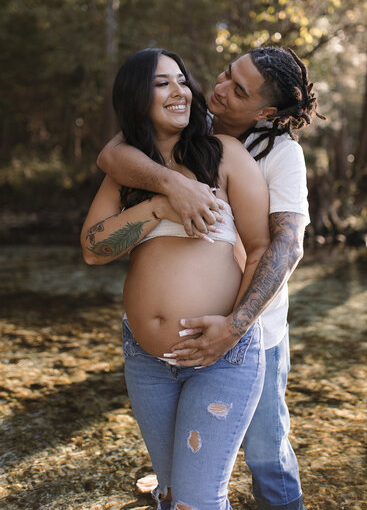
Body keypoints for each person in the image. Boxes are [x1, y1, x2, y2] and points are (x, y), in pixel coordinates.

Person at [98, 45, 323, 510]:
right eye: (224, 73)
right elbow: (112, 156)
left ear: (265, 111)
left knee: (265, 450)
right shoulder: (187, 121)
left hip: (252, 326)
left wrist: (236, 326)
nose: (218, 88)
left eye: (237, 89)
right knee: (182, 481)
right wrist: (172, 186)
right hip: (158, 351)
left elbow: (284, 246)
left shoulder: (280, 154)